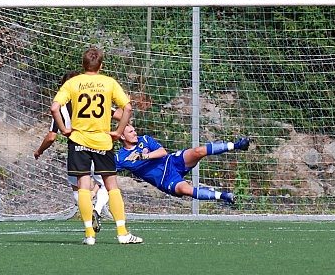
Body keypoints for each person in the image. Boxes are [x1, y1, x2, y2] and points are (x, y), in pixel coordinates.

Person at [51, 48, 141, 245]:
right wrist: (119, 131)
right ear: (101, 66)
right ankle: (122, 233)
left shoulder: (73, 83)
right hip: (102, 141)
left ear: (83, 65)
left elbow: (54, 107)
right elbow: (127, 108)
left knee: (83, 186)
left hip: (78, 141)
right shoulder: (108, 82)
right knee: (112, 186)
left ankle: (89, 235)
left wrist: (64, 129)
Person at [34, 71, 108, 233]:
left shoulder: (60, 107)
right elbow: (117, 113)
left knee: (78, 189)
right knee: (106, 185)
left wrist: (40, 150)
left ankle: (89, 224)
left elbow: (51, 137)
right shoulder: (93, 98)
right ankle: (98, 210)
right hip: (98, 146)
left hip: (76, 149)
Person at [115, 124, 249, 204]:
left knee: (198, 151)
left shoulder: (144, 139)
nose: (135, 133)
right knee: (186, 190)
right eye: (131, 132)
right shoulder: (121, 158)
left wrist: (144, 156)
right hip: (165, 181)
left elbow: (162, 152)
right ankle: (224, 196)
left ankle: (238, 145)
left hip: (171, 162)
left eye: (134, 130)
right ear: (122, 137)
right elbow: (105, 174)